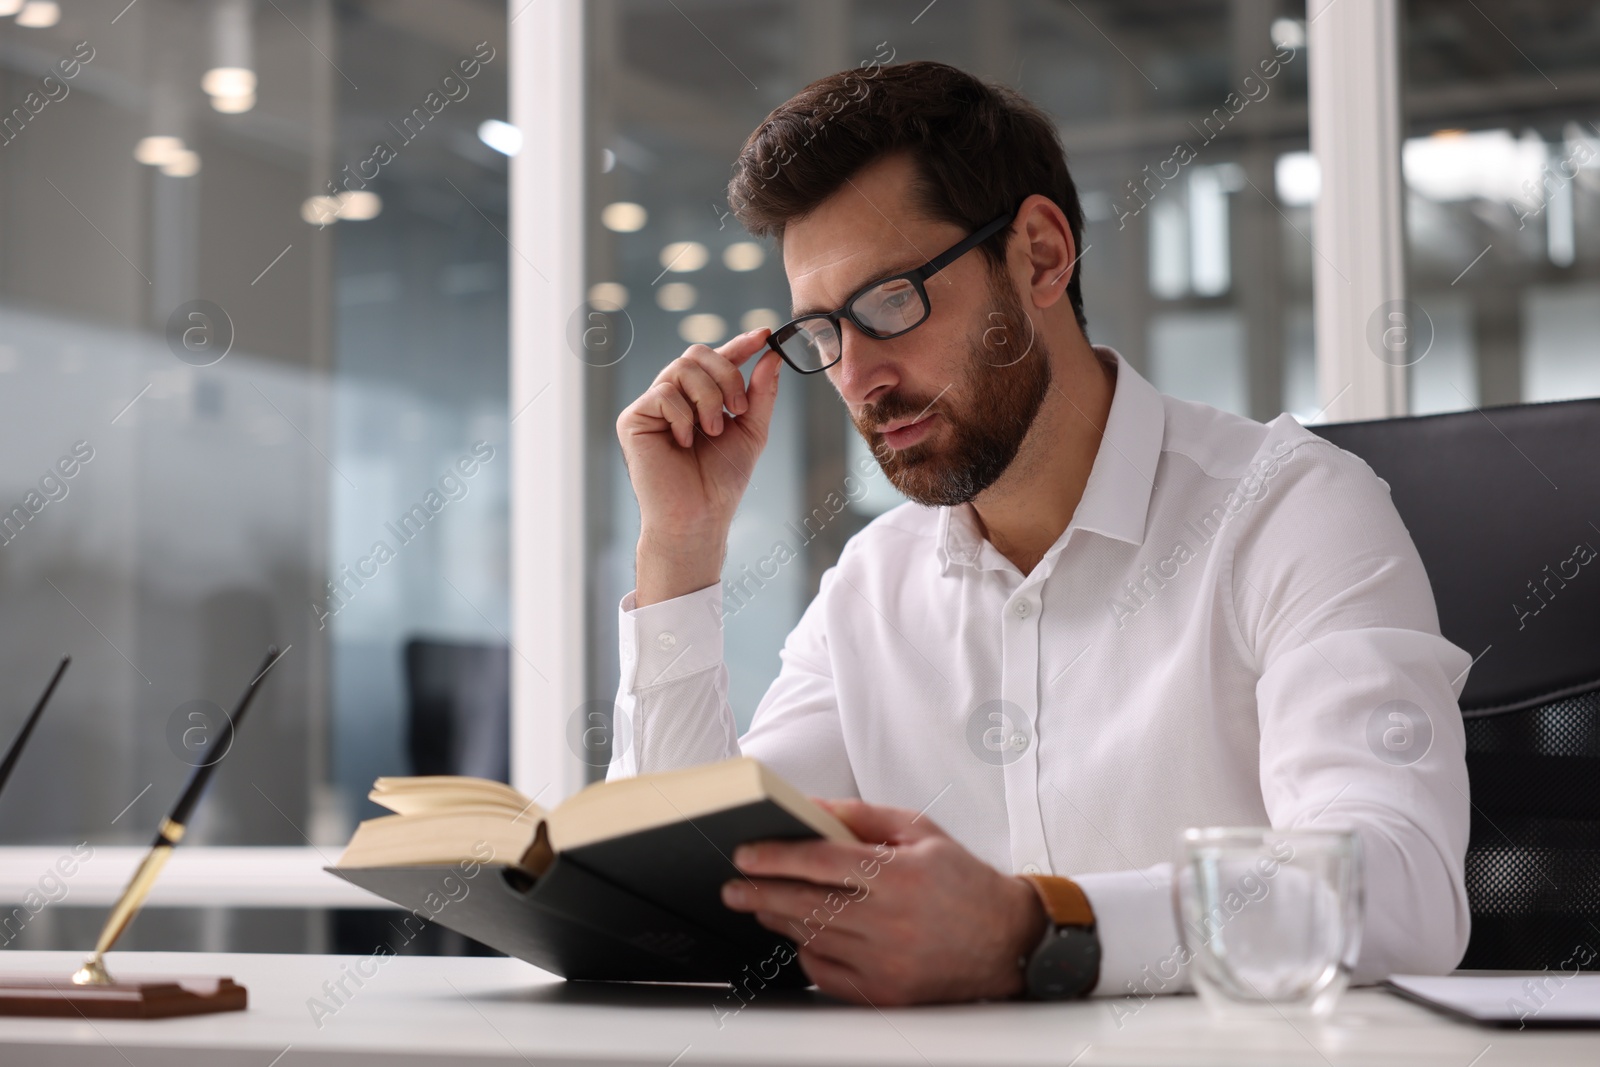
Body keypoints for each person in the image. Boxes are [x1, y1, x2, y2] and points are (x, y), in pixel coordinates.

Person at [610, 60, 1471, 1007]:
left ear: (1040, 255)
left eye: (890, 302)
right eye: (822, 331)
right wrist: (680, 550)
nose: (857, 377)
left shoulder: (1289, 512)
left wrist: (1037, 929)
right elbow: (683, 900)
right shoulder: (872, 587)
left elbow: (1400, 885)